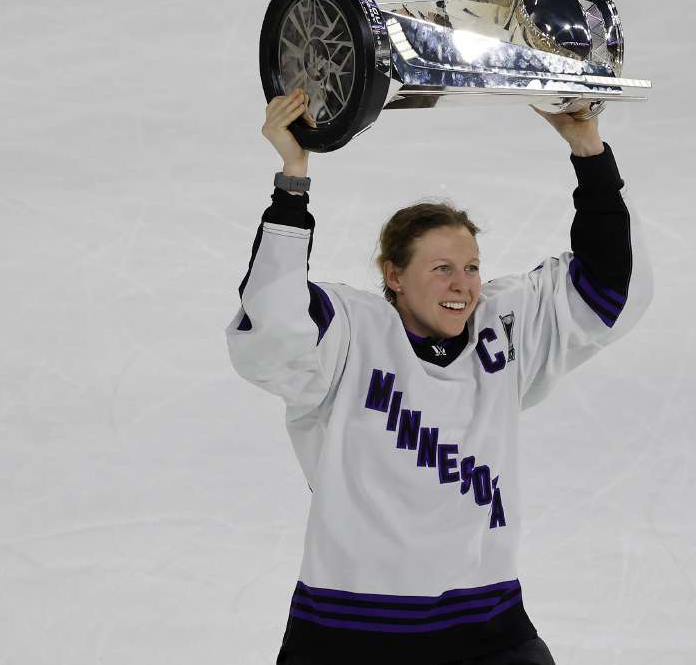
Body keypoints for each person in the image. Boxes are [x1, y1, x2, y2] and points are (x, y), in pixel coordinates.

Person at [228, 87, 654, 665]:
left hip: (487, 624)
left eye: (472, 267)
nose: (464, 284)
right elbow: (274, 323)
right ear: (394, 276)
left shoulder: (500, 331)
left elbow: (608, 288)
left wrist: (588, 149)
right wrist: (293, 180)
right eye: (443, 269)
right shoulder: (350, 335)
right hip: (349, 628)